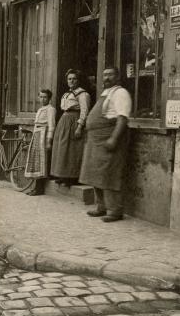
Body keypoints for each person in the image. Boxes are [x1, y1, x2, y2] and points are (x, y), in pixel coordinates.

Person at [80, 67, 132, 222]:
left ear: (118, 77)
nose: (107, 77)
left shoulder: (121, 93)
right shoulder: (106, 93)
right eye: (104, 75)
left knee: (110, 174)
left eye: (110, 74)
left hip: (108, 139)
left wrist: (114, 139)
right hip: (96, 140)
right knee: (96, 174)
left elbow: (122, 119)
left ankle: (115, 211)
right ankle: (101, 207)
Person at [51, 69, 91, 186]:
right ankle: (62, 174)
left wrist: (79, 126)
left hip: (74, 120)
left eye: (74, 79)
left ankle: (71, 177)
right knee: (62, 148)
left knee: (72, 150)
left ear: (78, 80)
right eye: (69, 79)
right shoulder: (66, 94)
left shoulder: (83, 94)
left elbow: (84, 111)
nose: (71, 81)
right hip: (64, 120)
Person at [23, 89, 56, 195]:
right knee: (35, 161)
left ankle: (39, 189)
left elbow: (51, 125)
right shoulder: (40, 109)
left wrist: (49, 140)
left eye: (45, 97)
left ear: (49, 98)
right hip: (37, 135)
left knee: (41, 163)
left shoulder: (50, 109)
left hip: (43, 135)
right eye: (41, 97)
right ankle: (35, 187)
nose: (42, 99)